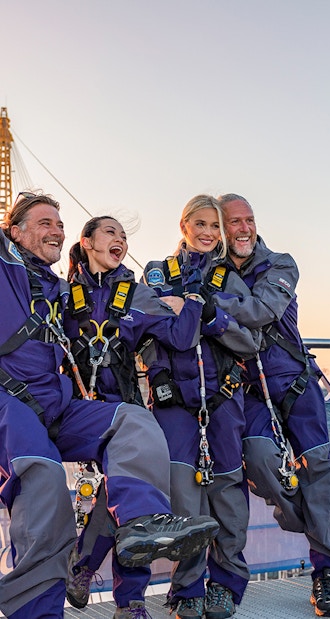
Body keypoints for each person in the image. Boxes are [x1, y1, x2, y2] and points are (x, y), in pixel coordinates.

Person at [0, 191, 219, 619]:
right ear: (14, 231)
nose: (56, 231)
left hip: (61, 402)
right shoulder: (8, 269)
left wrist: (192, 304)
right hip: (9, 402)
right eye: (45, 223)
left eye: (59, 225)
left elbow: (177, 336)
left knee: (136, 426)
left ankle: (141, 526)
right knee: (44, 485)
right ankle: (39, 611)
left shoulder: (59, 290)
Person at [63, 215, 217, 618]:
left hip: (123, 410)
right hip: (75, 409)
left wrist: (193, 302)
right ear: (87, 241)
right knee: (128, 496)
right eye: (111, 232)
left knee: (127, 495)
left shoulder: (137, 295)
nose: (120, 240)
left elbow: (182, 337)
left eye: (124, 236)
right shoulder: (62, 294)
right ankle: (85, 567)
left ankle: (124, 598)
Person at [215, 193, 330, 618]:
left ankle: (327, 574)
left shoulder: (281, 264)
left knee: (319, 470)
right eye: (233, 222)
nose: (244, 229)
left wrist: (206, 305)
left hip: (294, 382)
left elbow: (262, 311)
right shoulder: (209, 269)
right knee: (258, 459)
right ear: (219, 229)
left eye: (248, 220)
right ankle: (316, 524)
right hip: (250, 389)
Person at [142, 194, 260, 619]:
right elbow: (147, 335)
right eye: (202, 224)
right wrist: (158, 379)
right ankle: (187, 585)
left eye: (216, 226)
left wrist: (212, 318)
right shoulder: (158, 274)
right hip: (174, 400)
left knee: (227, 493)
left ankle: (225, 584)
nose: (210, 233)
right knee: (183, 497)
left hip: (223, 397)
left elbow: (252, 341)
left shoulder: (229, 279)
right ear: (184, 225)